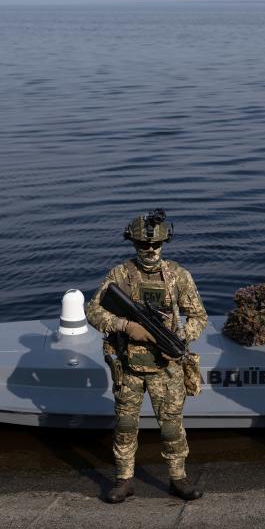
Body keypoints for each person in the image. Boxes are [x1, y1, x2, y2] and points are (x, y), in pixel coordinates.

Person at [86, 209, 208, 503]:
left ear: (164, 244)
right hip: (128, 367)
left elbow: (198, 316)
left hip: (166, 368)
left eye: (155, 245)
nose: (150, 250)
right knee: (126, 425)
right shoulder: (120, 275)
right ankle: (124, 480)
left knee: (171, 427)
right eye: (143, 245)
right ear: (134, 244)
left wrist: (180, 338)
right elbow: (93, 310)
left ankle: (178, 478)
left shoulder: (178, 276)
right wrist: (125, 325)